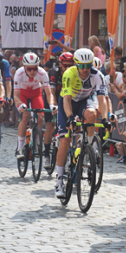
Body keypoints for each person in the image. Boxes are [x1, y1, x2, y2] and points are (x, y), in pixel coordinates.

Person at [54, 48, 102, 198]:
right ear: (76, 64)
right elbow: (67, 99)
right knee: (65, 140)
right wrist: (69, 117)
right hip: (68, 103)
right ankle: (59, 180)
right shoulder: (69, 73)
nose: (85, 69)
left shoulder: (97, 75)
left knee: (92, 114)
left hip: (83, 102)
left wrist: (106, 117)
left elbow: (103, 99)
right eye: (82, 66)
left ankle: (89, 145)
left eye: (88, 65)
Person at [13, 53, 56, 160]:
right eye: (29, 69)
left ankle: (37, 145)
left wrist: (51, 105)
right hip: (22, 94)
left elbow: (49, 93)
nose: (32, 71)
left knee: (40, 116)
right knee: (25, 116)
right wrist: (21, 104)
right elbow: (16, 96)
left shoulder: (42, 73)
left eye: (35, 68)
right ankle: (20, 148)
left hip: (36, 93)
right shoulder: (19, 73)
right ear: (24, 67)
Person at [43, 52, 73, 168]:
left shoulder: (73, 72)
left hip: (66, 99)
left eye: (70, 65)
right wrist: (54, 105)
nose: (68, 68)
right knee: (50, 126)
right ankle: (46, 155)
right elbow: (52, 92)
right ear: (60, 64)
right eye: (65, 65)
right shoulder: (54, 72)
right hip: (53, 97)